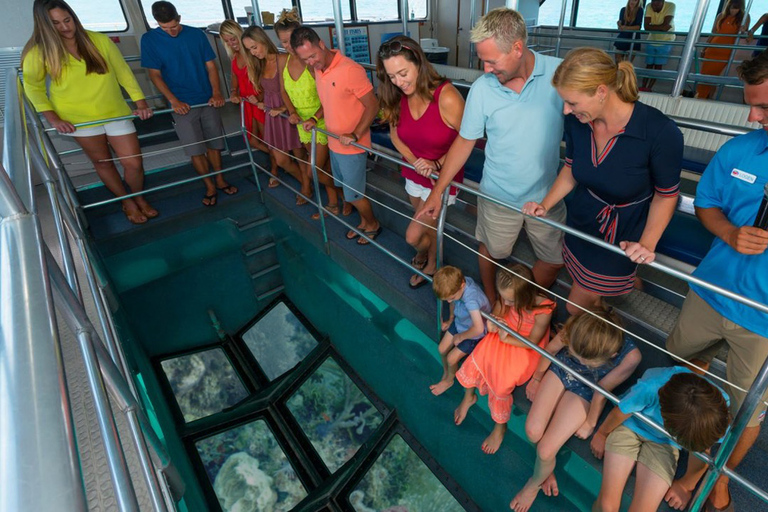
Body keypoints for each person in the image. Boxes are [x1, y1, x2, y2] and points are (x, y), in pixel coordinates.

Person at [663, 51, 768, 512]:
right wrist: (729, 232)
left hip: (762, 322)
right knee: (680, 367)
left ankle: (709, 473)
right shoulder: (741, 151)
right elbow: (705, 204)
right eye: (751, 105)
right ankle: (671, 437)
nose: (752, 116)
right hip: (711, 291)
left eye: (764, 107)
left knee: (747, 410)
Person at [415, 8, 567, 305]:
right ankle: (492, 298)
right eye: (481, 60)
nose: (485, 69)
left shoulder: (559, 74)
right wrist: (437, 191)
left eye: (491, 61)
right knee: (492, 252)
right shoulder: (483, 88)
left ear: (517, 48)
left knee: (554, 259)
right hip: (498, 195)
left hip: (547, 197)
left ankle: (521, 303)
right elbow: (464, 142)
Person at [523, 48, 682, 315]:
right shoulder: (577, 122)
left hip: (621, 234)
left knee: (574, 307)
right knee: (581, 283)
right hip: (583, 220)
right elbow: (572, 168)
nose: (566, 109)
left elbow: (666, 195)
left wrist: (647, 244)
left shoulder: (659, 132)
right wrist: (545, 204)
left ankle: (593, 324)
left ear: (600, 91)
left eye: (572, 102)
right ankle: (601, 304)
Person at [23, 0, 158, 225]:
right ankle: (127, 202)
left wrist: (141, 103)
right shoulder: (38, 53)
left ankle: (138, 196)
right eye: (56, 23)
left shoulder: (99, 40)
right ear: (45, 26)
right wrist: (53, 118)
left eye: (67, 20)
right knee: (103, 163)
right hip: (78, 119)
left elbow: (123, 73)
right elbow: (33, 88)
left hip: (115, 112)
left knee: (133, 163)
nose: (65, 27)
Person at [511, 309, 642, 512]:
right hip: (562, 368)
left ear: (611, 355)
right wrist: (537, 377)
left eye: (586, 361)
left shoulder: (630, 357)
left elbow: (602, 390)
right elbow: (551, 351)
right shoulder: (578, 327)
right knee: (533, 430)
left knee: (545, 450)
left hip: (589, 386)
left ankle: (534, 482)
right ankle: (546, 468)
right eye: (576, 354)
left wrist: (590, 422)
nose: (580, 361)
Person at [377, 35, 466, 288]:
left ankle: (433, 263)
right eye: (392, 76)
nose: (398, 82)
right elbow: (395, 135)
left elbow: (467, 139)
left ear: (418, 61)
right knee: (426, 227)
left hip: (441, 177)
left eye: (403, 73)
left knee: (414, 233)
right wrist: (417, 161)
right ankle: (427, 253)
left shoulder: (447, 96)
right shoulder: (396, 93)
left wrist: (436, 164)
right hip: (413, 172)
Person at [591, 368, 730, 512]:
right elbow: (621, 412)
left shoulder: (717, 413)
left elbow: (701, 452)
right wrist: (602, 433)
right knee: (606, 506)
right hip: (632, 425)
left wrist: (686, 485)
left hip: (665, 443)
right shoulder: (651, 387)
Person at [141, 1, 237, 207]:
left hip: (207, 99)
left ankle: (220, 180)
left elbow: (211, 67)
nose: (171, 31)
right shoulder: (149, 40)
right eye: (165, 28)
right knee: (195, 149)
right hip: (181, 104)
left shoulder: (196, 35)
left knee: (215, 143)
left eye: (174, 26)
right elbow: (155, 75)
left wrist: (217, 92)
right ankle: (209, 186)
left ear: (180, 19)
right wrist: (173, 100)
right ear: (157, 23)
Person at [292, 26, 382, 245]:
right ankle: (362, 222)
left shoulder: (350, 69)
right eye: (306, 60)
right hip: (333, 143)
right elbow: (328, 102)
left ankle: (372, 225)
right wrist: (315, 118)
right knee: (344, 188)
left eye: (312, 55)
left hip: (353, 145)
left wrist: (356, 133)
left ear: (321, 44)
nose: (311, 62)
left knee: (354, 195)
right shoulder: (318, 70)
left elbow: (373, 105)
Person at [454, 263, 555, 454]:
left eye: (510, 301)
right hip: (506, 331)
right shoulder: (507, 295)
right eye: (505, 298)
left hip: (524, 345)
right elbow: (500, 310)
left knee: (501, 384)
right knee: (476, 358)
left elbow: (532, 341)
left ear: (525, 295)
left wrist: (507, 337)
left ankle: (500, 427)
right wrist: (494, 320)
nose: (507, 303)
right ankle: (469, 397)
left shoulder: (543, 309)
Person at [273, 9, 350, 218]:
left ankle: (346, 196)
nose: (288, 46)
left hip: (321, 120)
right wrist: (291, 112)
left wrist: (315, 117)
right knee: (322, 166)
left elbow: (329, 96)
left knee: (313, 169)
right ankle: (336, 201)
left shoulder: (311, 63)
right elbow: (283, 91)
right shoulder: (283, 61)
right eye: (283, 42)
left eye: (290, 41)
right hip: (303, 123)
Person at [241, 26, 309, 203]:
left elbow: (296, 88)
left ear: (263, 41)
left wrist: (286, 109)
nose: (253, 52)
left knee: (300, 155)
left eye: (254, 47)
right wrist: (259, 99)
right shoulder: (260, 64)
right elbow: (269, 90)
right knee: (281, 160)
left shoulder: (284, 59)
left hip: (289, 111)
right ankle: (306, 183)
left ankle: (307, 188)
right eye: (249, 50)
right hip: (273, 115)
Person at [218, 20, 275, 177]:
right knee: (252, 140)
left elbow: (268, 79)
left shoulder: (254, 54)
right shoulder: (235, 57)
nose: (231, 43)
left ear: (239, 34)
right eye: (227, 41)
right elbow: (235, 77)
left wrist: (260, 98)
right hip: (247, 102)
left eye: (233, 38)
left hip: (259, 100)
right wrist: (233, 91)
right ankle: (276, 158)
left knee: (268, 139)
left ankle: (276, 167)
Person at [430, 266, 492, 396]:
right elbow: (453, 302)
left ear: (462, 285)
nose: (449, 301)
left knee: (452, 359)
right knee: (441, 349)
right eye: (446, 299)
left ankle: (449, 380)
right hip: (460, 322)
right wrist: (451, 319)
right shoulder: (458, 283)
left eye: (451, 297)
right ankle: (447, 372)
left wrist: (462, 337)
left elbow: (479, 328)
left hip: (473, 334)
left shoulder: (471, 300)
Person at [696, 0, 749, 99]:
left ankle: (708, 98)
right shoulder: (721, 15)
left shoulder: (745, 17)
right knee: (704, 75)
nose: (733, 11)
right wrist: (704, 48)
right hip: (712, 49)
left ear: (740, 8)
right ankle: (700, 96)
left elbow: (745, 35)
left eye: (736, 8)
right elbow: (713, 32)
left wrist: (743, 31)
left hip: (726, 51)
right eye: (731, 8)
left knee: (714, 76)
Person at [641, 0, 676, 91]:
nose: (654, 6)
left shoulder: (671, 6)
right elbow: (646, 27)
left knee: (657, 67)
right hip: (652, 40)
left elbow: (666, 24)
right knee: (648, 65)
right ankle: (643, 86)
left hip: (666, 41)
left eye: (657, 3)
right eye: (653, 3)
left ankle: (649, 87)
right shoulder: (649, 6)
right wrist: (661, 28)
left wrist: (654, 27)